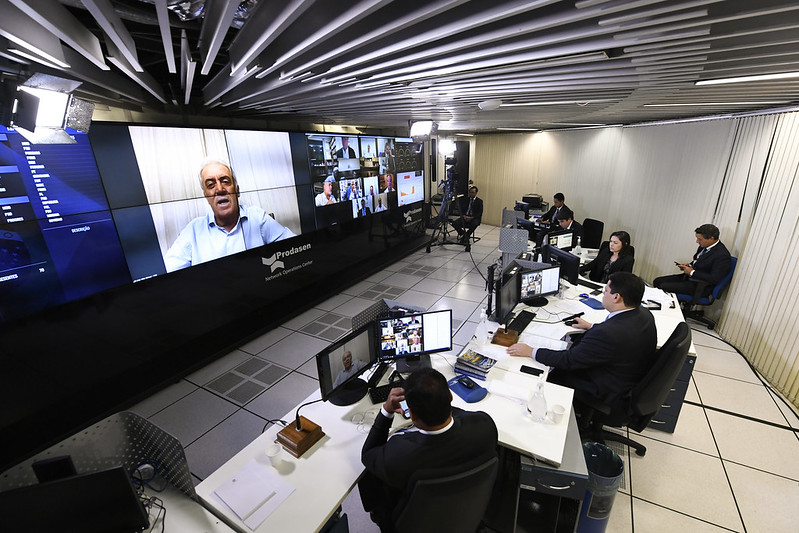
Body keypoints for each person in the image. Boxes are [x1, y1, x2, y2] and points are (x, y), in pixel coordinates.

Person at [359, 368, 498, 532]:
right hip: (465, 512)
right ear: (451, 398)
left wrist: (386, 412)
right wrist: (437, 402)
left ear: (413, 416)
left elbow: (368, 453)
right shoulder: (485, 426)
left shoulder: (398, 455)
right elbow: (463, 416)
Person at [507, 272, 657, 407]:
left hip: (606, 389)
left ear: (616, 297)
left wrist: (531, 351)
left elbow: (569, 361)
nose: (603, 294)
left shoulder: (607, 334)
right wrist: (591, 327)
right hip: (627, 376)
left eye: (605, 291)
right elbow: (621, 335)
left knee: (547, 372)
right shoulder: (644, 314)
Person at [164, 158, 296, 272]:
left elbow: (295, 248)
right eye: (211, 185)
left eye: (225, 181)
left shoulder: (257, 217)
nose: (220, 189)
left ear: (237, 190)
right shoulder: (193, 230)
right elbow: (167, 272)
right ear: (206, 196)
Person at [653, 223, 732, 298]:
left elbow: (714, 278)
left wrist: (691, 272)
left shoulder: (722, 255)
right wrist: (689, 265)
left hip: (701, 286)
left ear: (711, 238)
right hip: (690, 278)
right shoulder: (704, 245)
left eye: (700, 239)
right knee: (657, 281)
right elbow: (698, 260)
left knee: (662, 286)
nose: (697, 241)